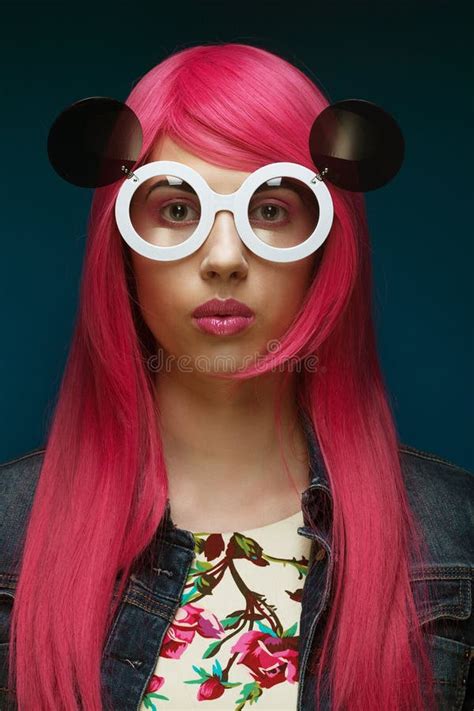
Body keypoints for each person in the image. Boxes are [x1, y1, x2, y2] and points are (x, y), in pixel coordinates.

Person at [0, 42, 472, 711]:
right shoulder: (7, 535)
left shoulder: (457, 531)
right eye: (178, 210)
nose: (225, 259)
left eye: (271, 209)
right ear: (122, 244)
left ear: (327, 242)